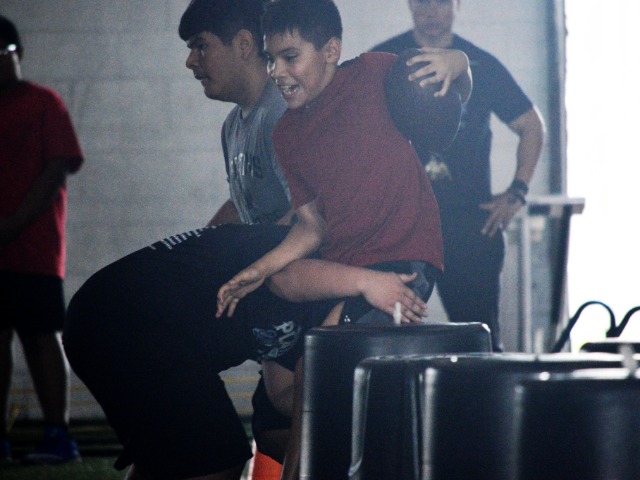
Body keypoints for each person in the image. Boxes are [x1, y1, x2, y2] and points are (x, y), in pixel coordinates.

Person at [214, 1, 472, 477]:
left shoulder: (374, 73)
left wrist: (459, 63)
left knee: (317, 374)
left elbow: (452, 92)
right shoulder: (286, 134)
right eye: (271, 59)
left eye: (290, 57)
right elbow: (312, 227)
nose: (277, 73)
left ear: (330, 51)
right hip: (345, 268)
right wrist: (257, 269)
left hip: (400, 261)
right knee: (277, 405)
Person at [371, 0, 546, 351]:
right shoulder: (384, 60)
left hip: (469, 225)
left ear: (457, 4)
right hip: (403, 225)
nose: (431, 11)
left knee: (479, 343)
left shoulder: (480, 64)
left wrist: (517, 192)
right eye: (423, 1)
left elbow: (532, 125)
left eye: (441, 1)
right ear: (410, 3)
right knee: (386, 341)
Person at [0, 16, 83, 465]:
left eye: (2, 54)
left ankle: (58, 434)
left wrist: (13, 223)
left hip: (34, 250)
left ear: (18, 55)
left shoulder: (42, 103)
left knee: (40, 336)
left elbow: (57, 167)